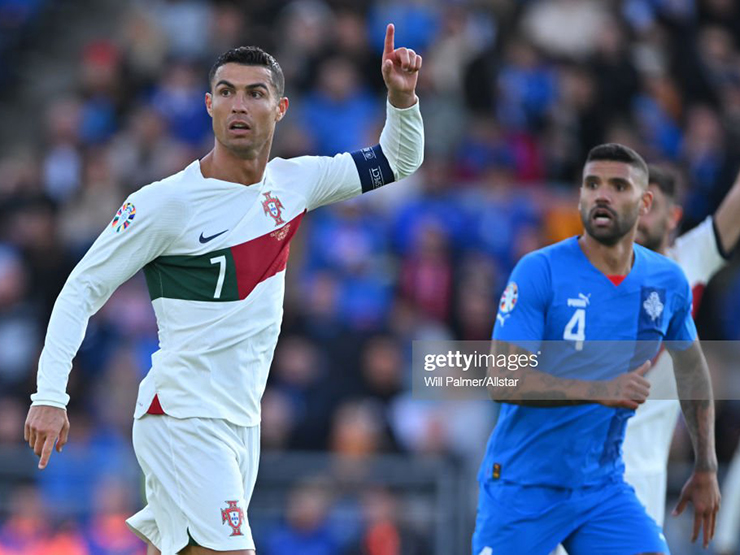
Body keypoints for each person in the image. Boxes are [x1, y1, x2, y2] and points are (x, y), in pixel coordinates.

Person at [24, 24, 424, 555]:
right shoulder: (165, 203)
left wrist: (401, 98)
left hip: (241, 420)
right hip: (184, 415)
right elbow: (81, 289)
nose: (240, 104)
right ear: (209, 106)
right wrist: (50, 394)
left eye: (255, 93)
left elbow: (398, 161)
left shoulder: (296, 182)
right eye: (227, 92)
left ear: (279, 109)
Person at [473, 144, 720, 555]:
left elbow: (692, 369)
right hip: (522, 487)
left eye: (618, 185)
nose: (602, 195)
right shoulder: (540, 270)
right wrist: (600, 389)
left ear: (644, 204)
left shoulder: (666, 280)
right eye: (592, 184)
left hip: (601, 490)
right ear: (580, 197)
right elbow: (502, 378)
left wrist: (706, 464)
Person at [623, 165, 740, 528]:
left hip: (638, 486)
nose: (638, 218)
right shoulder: (584, 273)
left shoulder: (689, 262)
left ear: (673, 217)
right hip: (568, 477)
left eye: (650, 206)